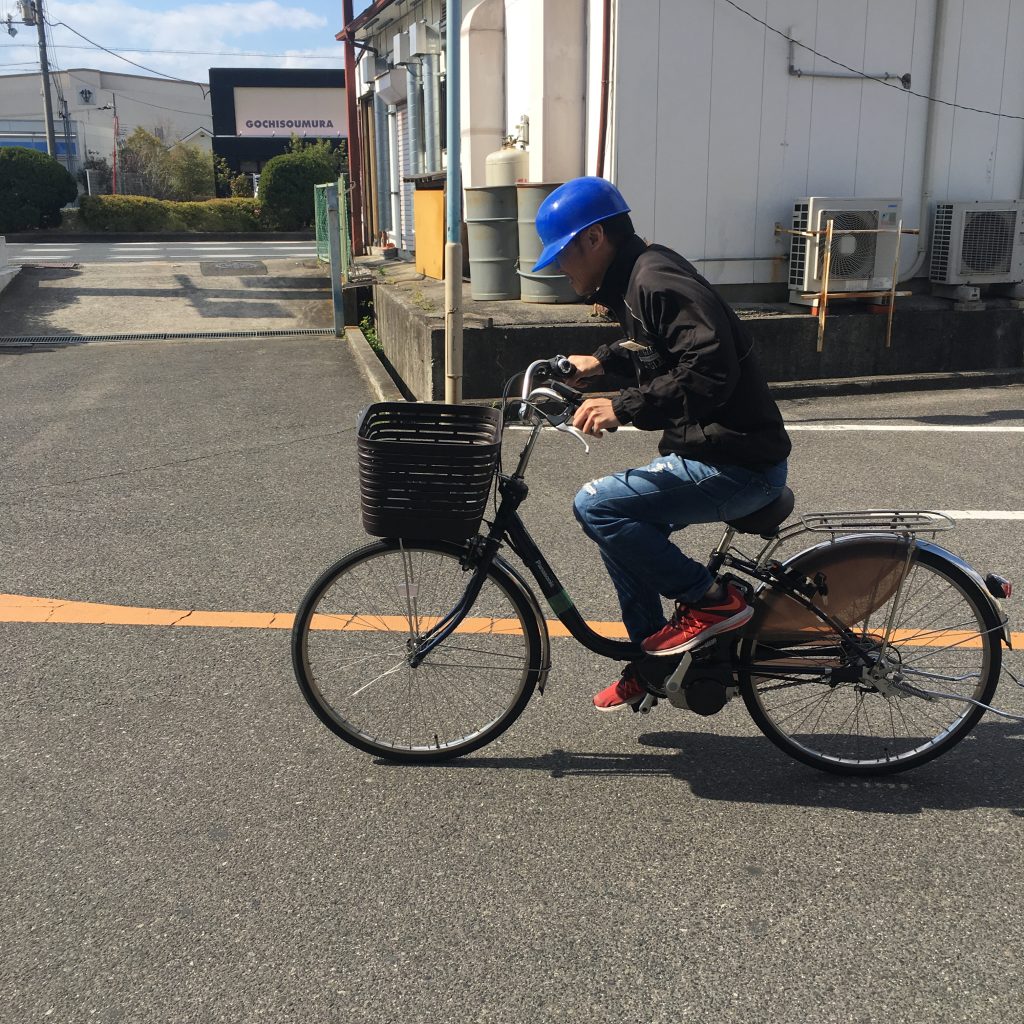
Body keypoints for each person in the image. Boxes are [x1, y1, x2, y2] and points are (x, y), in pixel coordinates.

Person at [532, 177, 792, 712]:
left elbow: (709, 367)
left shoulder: (655, 279)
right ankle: (657, 664)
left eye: (562, 253)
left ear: (594, 238)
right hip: (711, 452)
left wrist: (623, 406)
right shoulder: (637, 277)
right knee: (619, 527)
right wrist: (603, 362)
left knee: (594, 505)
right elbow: (654, 348)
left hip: (738, 463)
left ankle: (713, 602)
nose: (559, 267)